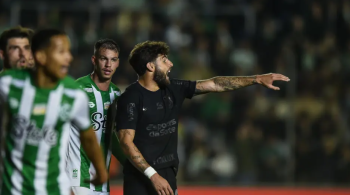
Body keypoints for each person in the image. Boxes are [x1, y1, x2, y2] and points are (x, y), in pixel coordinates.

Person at [115, 41, 290, 195]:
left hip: (167, 175)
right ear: (151, 67)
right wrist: (152, 175)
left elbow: (215, 83)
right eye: (164, 60)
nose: (171, 64)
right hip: (140, 179)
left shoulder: (173, 88)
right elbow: (126, 142)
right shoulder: (130, 99)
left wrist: (257, 79)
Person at [0, 29, 108, 195]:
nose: (69, 57)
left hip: (54, 189)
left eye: (69, 52)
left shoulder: (74, 95)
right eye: (61, 52)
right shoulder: (9, 84)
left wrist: (100, 170)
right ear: (41, 57)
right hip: (13, 189)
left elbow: (87, 135)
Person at [66, 39, 127, 195]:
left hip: (102, 184)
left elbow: (110, 136)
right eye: (103, 59)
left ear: (118, 63)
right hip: (77, 178)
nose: (108, 65)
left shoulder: (116, 94)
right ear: (94, 60)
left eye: (113, 60)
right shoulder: (78, 90)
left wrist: (129, 163)